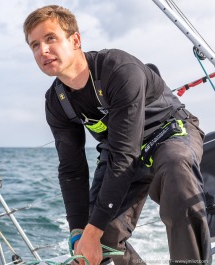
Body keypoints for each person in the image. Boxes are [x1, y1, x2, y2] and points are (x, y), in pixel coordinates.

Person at [23, 5, 211, 265]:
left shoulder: (118, 69)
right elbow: (72, 170)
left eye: (50, 38)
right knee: (98, 238)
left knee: (175, 166)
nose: (42, 50)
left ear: (75, 40)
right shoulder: (57, 102)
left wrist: (92, 228)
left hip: (169, 132)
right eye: (34, 44)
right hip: (120, 149)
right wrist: (79, 230)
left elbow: (125, 154)